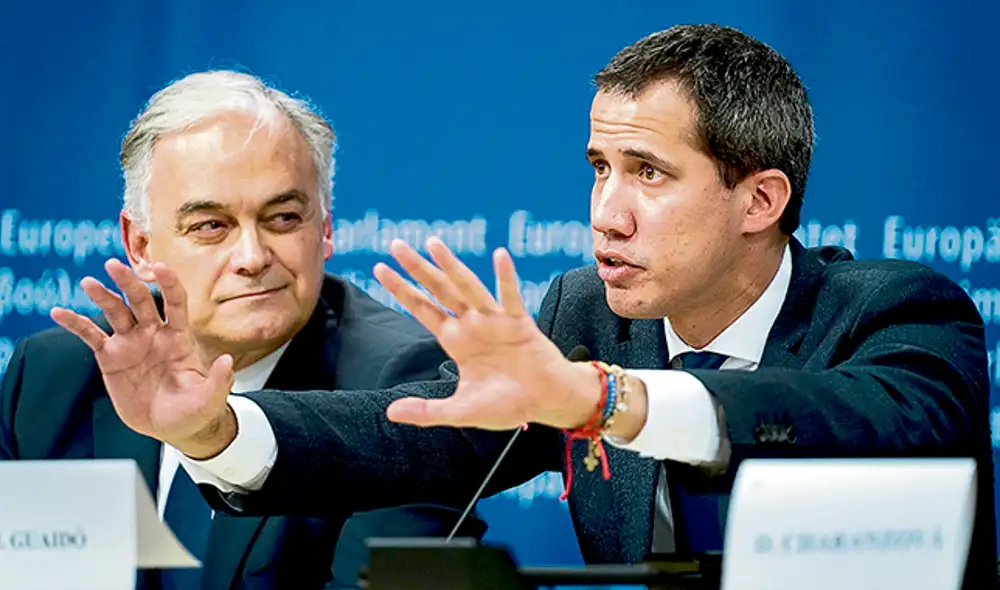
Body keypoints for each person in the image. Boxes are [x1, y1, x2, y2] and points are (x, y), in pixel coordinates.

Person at [47, 25, 997, 589]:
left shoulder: (901, 313)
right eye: (598, 169)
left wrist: (605, 401)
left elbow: (868, 423)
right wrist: (217, 431)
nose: (605, 212)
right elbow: (410, 435)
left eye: (649, 175)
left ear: (760, 200)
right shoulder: (589, 314)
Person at [0, 70, 483, 590]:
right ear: (140, 246)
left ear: (323, 230)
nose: (252, 258)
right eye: (211, 226)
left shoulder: (401, 388)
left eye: (282, 218)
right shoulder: (55, 377)